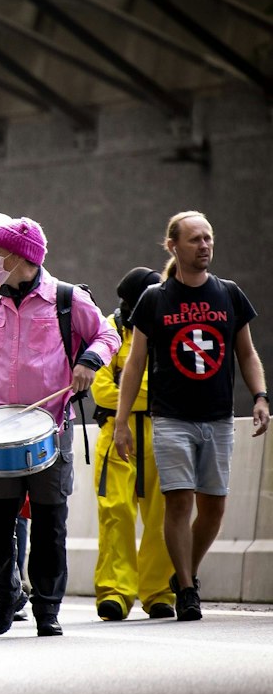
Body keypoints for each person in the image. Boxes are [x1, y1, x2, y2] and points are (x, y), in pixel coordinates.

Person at [0, 218, 117, 637]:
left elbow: (106, 334)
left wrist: (89, 362)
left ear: (20, 257)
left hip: (49, 425)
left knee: (49, 521)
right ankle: (6, 599)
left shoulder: (67, 299)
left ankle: (47, 607)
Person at [115, 212, 266, 621]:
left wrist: (260, 396)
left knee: (214, 508)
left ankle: (187, 573)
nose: (204, 246)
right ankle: (184, 588)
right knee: (179, 502)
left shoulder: (229, 294)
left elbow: (246, 353)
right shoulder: (155, 299)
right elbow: (134, 363)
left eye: (208, 239)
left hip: (217, 418)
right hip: (172, 419)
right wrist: (121, 421)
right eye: (195, 240)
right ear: (173, 246)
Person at [91, 268, 173, 621]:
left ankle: (158, 592)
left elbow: (172, 386)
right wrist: (149, 395)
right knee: (116, 513)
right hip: (116, 434)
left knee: (163, 516)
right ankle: (115, 592)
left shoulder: (168, 330)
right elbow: (101, 389)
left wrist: (129, 389)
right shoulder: (108, 330)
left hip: (162, 433)